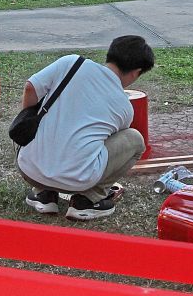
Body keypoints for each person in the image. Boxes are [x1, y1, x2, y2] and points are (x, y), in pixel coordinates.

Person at [18, 35, 156, 221]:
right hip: (78, 181)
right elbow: (105, 144)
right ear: (136, 72)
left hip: (29, 170)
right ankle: (89, 200)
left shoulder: (71, 63)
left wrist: (30, 118)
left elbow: (30, 88)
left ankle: (43, 194)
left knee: (32, 120)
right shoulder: (124, 107)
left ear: (111, 53)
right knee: (135, 140)